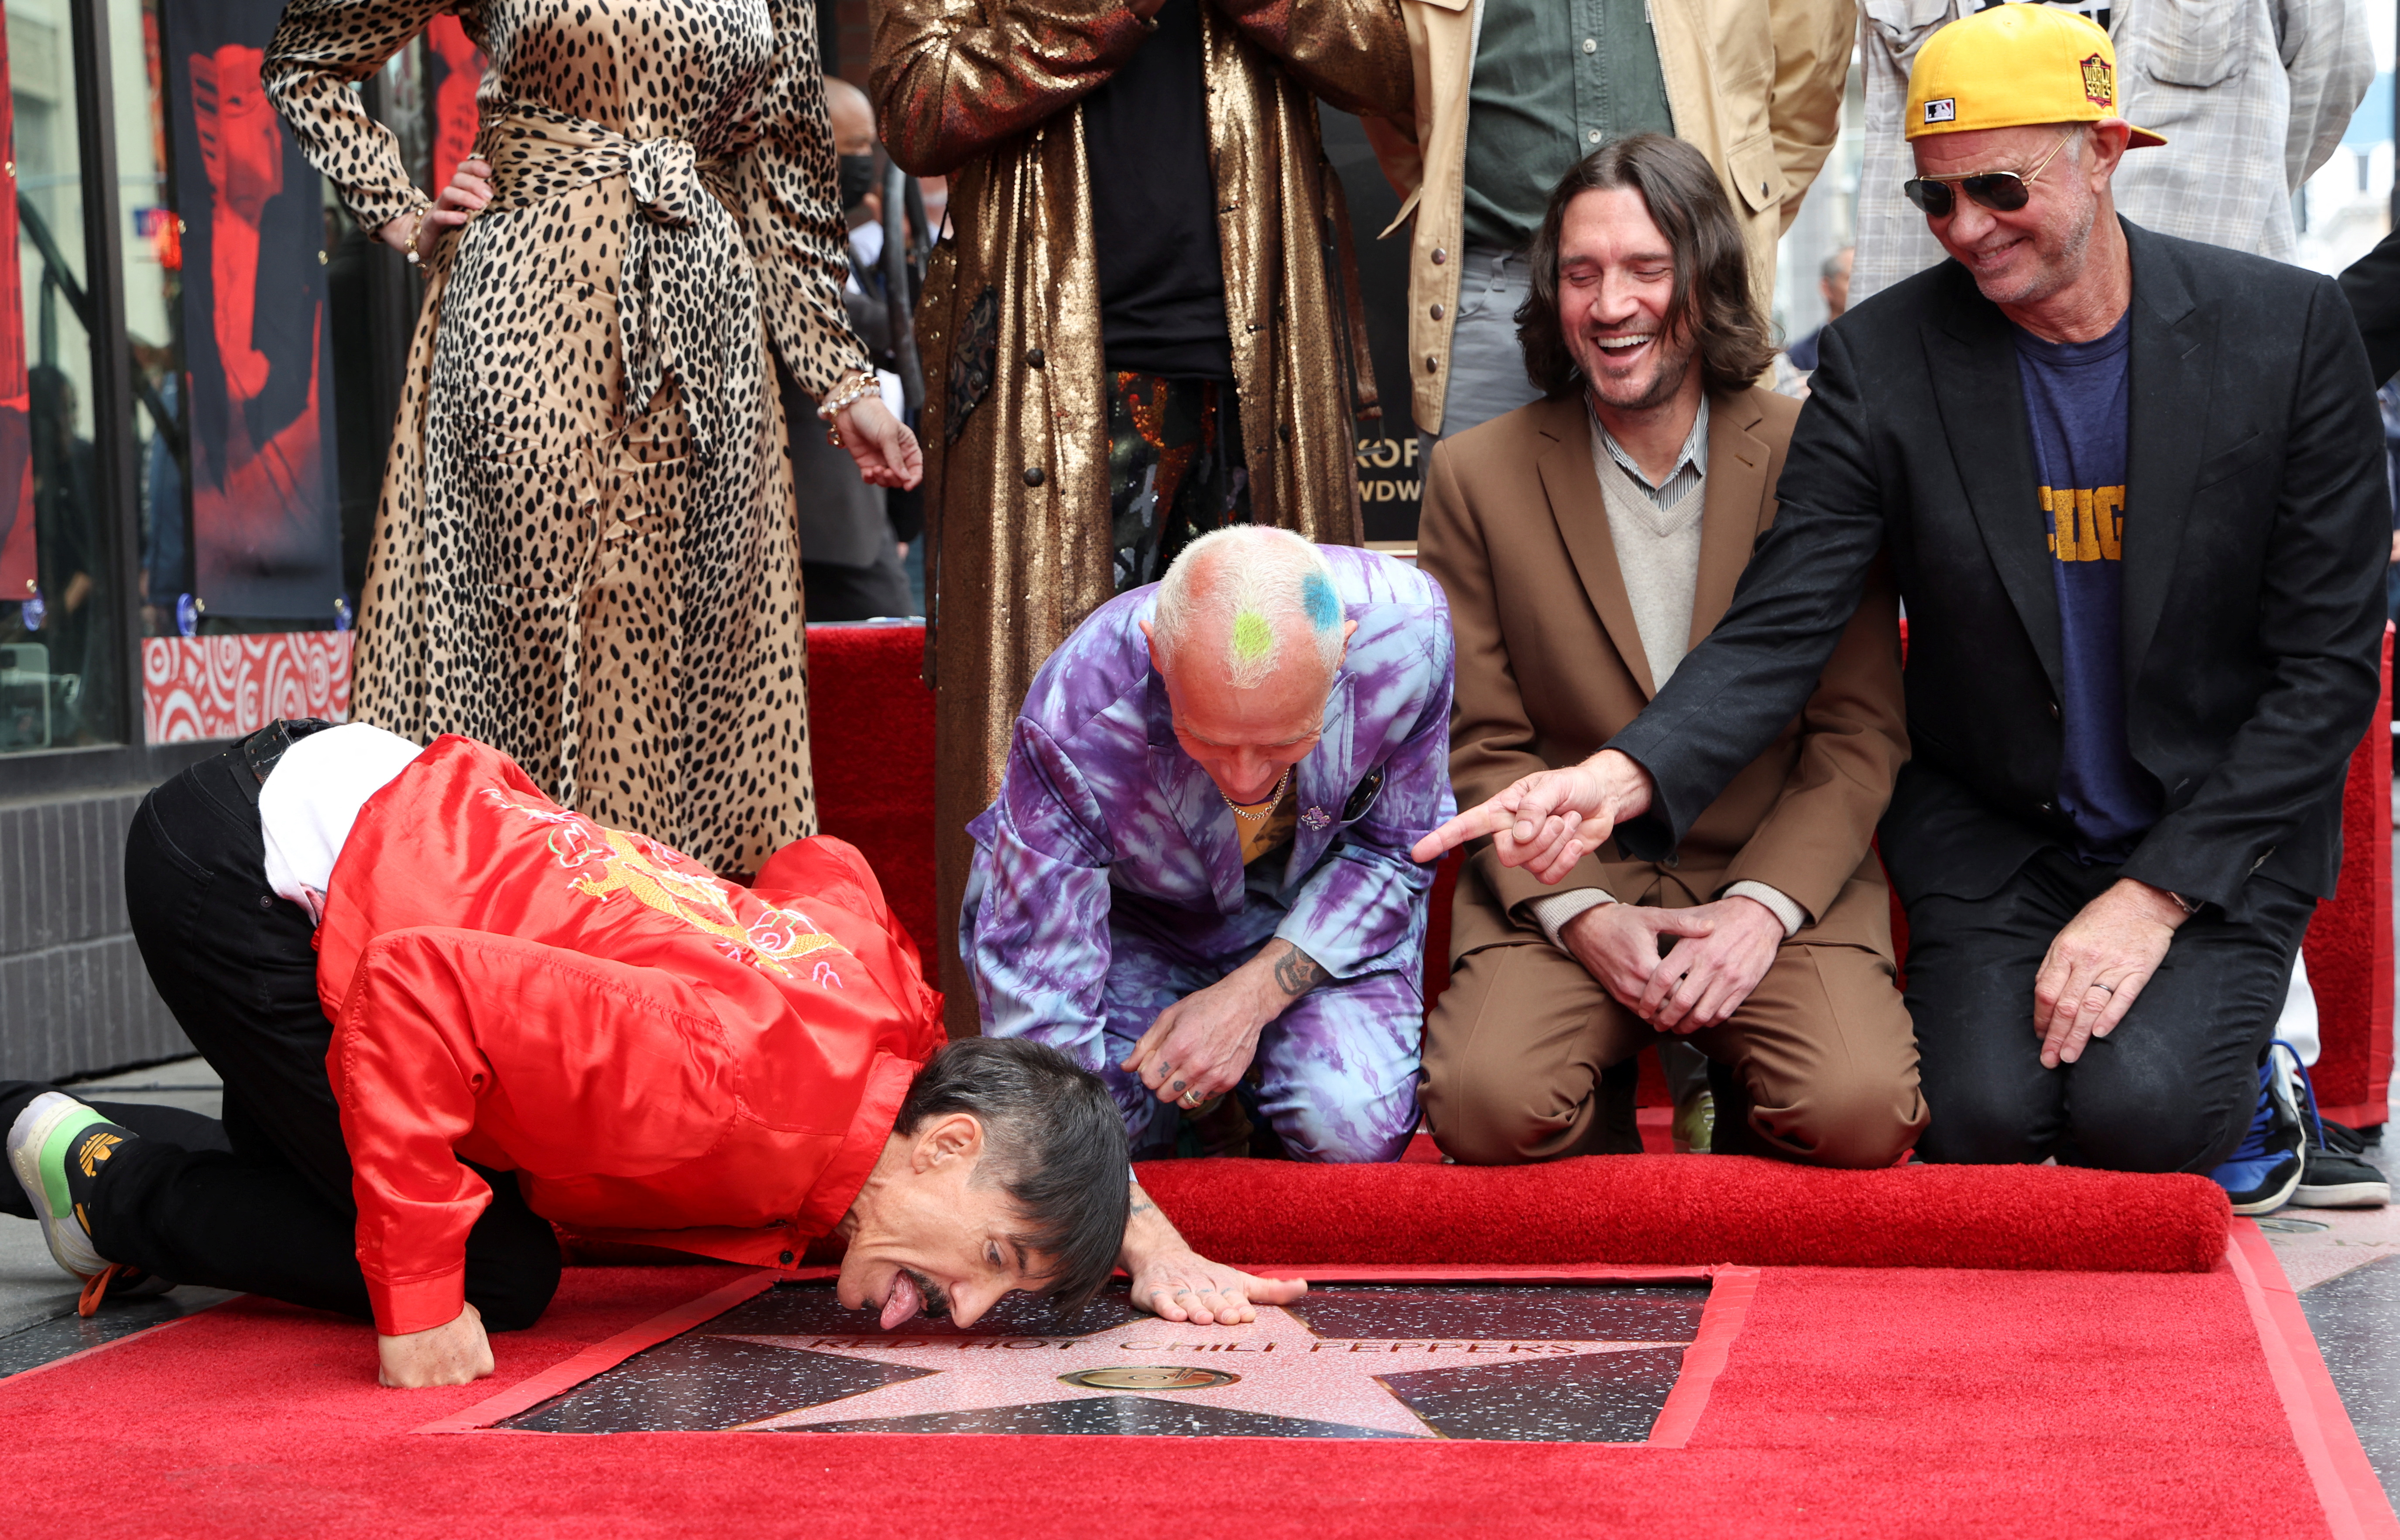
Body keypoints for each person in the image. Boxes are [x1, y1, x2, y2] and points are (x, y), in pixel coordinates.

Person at [1415, 6, 2389, 1214]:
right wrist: (1622, 780)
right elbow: (1784, 623)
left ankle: (2257, 1079)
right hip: (1998, 827)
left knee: (2143, 1122)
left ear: (2103, 148)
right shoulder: (1884, 360)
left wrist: (2153, 899)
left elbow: (2326, 672)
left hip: (2197, 825)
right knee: (1977, 1126)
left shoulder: (2285, 335)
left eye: (1997, 187)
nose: (1967, 230)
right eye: (1937, 201)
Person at [2, 721, 1297, 1388]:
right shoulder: (719, 1081)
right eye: (997, 1263)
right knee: (495, 1270)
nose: (967, 1309)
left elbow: (822, 871)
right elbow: (412, 988)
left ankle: (207, 1159)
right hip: (252, 868)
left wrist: (1123, 1219)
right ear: (949, 1138)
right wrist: (413, 1304)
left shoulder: (890, 1028)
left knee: (342, 1172)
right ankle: (97, 1174)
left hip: (387, 817)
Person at [261, 0, 922, 880]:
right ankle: (500, 955)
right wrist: (404, 213)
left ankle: (679, 975)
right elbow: (305, 60)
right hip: (527, 312)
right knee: (513, 652)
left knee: (694, 685)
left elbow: (787, 181)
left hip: (706, 341)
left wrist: (842, 383)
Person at [871, 0, 1411, 1033]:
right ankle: (1042, 1081)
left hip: (1261, 381)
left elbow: (1397, 63)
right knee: (1051, 746)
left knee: (1264, 737)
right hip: (1049, 394)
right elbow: (913, 105)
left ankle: (1261, 1057)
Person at [1416, 136, 1921, 1171]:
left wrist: (1759, 909)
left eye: (1646, 271)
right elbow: (1482, 743)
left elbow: (1856, 732)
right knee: (1482, 1106)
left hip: (1766, 873)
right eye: (1580, 274)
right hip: (1574, 883)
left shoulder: (1813, 452)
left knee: (1859, 1112)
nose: (1610, 307)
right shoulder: (1475, 476)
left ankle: (1738, 1102)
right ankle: (1596, 1103)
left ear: (1703, 278)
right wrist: (1583, 915)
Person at [966, 527, 1452, 1163]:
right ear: (1157, 657)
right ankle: (1201, 1122)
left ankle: (1240, 1096)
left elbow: (1393, 852)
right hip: (1131, 926)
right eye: (1209, 742)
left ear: (1344, 655)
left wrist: (1249, 1000)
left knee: (1349, 1128)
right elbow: (1041, 989)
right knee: (1076, 1131)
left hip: (1310, 911)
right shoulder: (1079, 705)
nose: (1247, 780)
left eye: (1284, 745)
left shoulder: (1409, 637)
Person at [1368, 0, 1853, 442]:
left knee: (1718, 527)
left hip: (1691, 285)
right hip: (1493, 291)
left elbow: (1809, 84)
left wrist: (1721, 239)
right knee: (1488, 518)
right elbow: (1388, 91)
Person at [1851, 0, 2370, 306]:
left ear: (2108, 152)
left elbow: (2332, 68)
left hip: (2205, 306)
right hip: (1946, 333)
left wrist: (2246, 189)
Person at [786, 78, 916, 623]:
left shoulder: (842, 233)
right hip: (819, 512)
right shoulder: (779, 236)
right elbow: (828, 310)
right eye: (854, 149)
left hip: (867, 505)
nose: (865, 163)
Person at [1785, 246, 1853, 374]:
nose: (1863, 285)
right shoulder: (1798, 358)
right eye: (1852, 279)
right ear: (1827, 288)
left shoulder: (1887, 345)